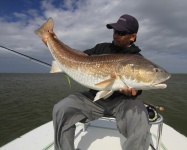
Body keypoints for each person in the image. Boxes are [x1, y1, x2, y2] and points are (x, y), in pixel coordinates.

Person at [51, 14, 151, 150]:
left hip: (122, 102)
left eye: (121, 33)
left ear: (132, 37)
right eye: (115, 31)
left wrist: (134, 91)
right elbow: (77, 57)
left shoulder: (138, 59)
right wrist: (54, 42)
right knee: (61, 108)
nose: (116, 35)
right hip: (94, 99)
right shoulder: (100, 48)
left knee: (140, 118)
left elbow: (139, 86)